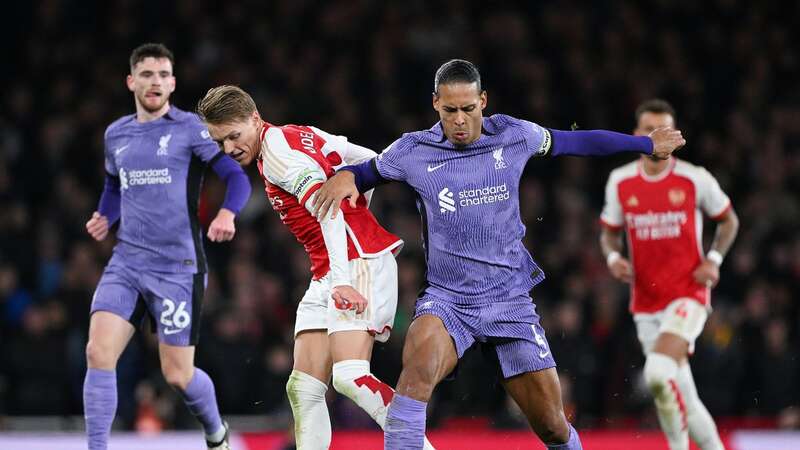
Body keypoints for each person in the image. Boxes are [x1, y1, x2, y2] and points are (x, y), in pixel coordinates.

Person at [312, 59, 686, 450]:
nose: (460, 120)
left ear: (483, 101)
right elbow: (367, 172)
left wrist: (645, 144)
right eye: (450, 110)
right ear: (436, 104)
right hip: (448, 302)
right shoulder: (413, 151)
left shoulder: (513, 135)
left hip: (509, 303)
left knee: (554, 428)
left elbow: (576, 142)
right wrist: (346, 176)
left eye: (469, 109)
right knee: (415, 377)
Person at [195, 85, 435, 450]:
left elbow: (328, 207)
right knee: (303, 387)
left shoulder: (277, 155)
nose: (229, 148)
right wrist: (361, 200)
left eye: (234, 135)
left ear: (254, 118)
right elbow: (367, 158)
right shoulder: (295, 135)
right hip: (330, 269)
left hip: (354, 264)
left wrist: (343, 277)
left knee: (351, 377)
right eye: (220, 142)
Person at [84, 44, 251, 450]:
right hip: (126, 262)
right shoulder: (116, 134)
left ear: (172, 83)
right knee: (98, 352)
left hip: (177, 267)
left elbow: (236, 177)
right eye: (146, 74)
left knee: (177, 374)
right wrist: (106, 214)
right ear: (132, 81)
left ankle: (216, 432)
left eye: (162, 75)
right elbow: (112, 185)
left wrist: (228, 213)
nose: (154, 81)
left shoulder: (190, 129)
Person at [599, 99, 738, 450]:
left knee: (658, 375)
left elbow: (729, 220)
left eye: (664, 129)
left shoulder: (695, 178)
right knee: (684, 397)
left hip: (688, 294)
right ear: (635, 135)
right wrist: (614, 256)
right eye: (648, 129)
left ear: (675, 137)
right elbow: (609, 232)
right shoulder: (620, 182)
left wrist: (714, 259)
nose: (656, 135)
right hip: (646, 302)